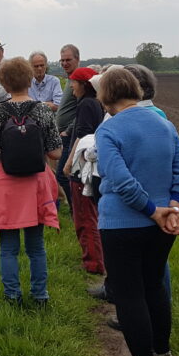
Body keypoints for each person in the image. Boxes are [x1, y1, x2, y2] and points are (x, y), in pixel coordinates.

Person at [95, 68, 179, 356]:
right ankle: (162, 354)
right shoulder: (165, 125)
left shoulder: (108, 130)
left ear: (106, 95)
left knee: (129, 295)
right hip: (162, 227)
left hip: (123, 225)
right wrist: (174, 209)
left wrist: (152, 211)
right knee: (154, 287)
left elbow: (120, 181)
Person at [0, 57, 62, 306]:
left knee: (9, 248)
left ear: (3, 82)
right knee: (36, 247)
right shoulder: (42, 110)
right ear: (29, 79)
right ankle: (40, 295)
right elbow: (55, 153)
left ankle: (12, 296)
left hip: (6, 183)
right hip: (35, 184)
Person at [65, 66, 105, 274]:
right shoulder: (94, 103)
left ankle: (93, 263)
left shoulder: (86, 105)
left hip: (82, 168)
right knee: (91, 214)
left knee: (84, 217)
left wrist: (69, 163)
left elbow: (82, 137)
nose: (71, 86)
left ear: (83, 85)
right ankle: (97, 258)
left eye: (74, 82)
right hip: (90, 166)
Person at [55, 44, 81, 212]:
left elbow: (82, 110)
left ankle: (77, 210)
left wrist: (68, 130)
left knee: (63, 174)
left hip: (70, 136)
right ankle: (77, 209)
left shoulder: (79, 81)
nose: (65, 63)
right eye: (62, 60)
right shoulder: (70, 79)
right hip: (63, 134)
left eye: (68, 60)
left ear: (77, 59)